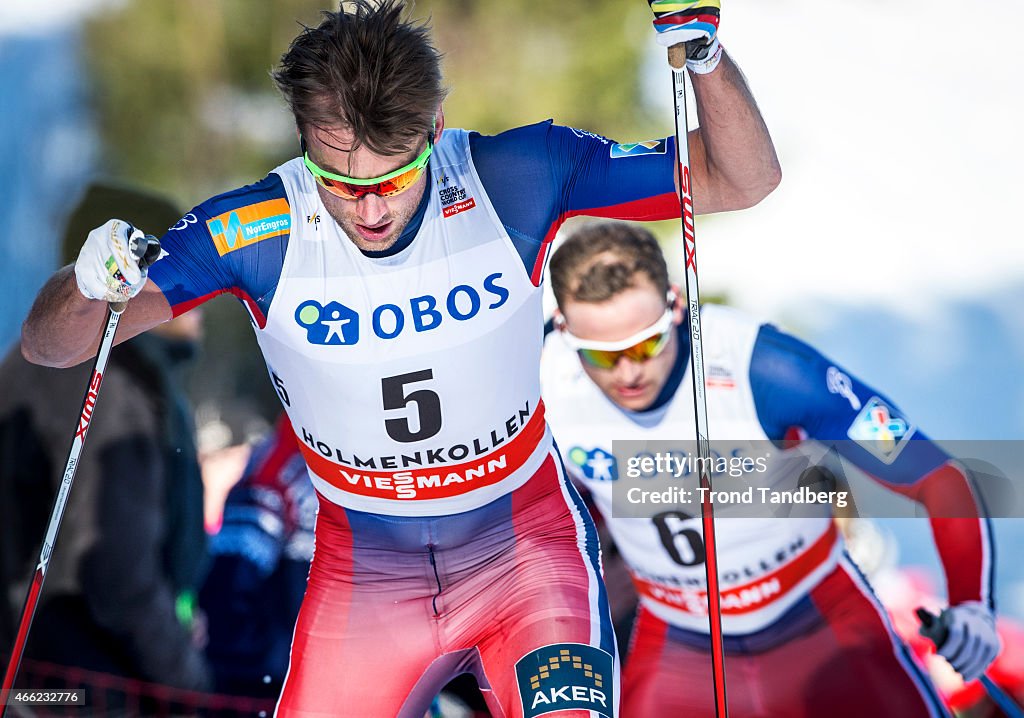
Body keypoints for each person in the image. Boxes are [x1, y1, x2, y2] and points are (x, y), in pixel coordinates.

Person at [19, 2, 780, 715]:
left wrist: (705, 58)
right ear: (301, 139)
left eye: (393, 177)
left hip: (526, 554)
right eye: (340, 184)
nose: (371, 209)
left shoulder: (518, 173)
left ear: (435, 127)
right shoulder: (252, 228)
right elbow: (52, 348)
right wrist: (88, 284)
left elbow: (738, 180)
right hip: (367, 586)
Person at [539, 221, 1000, 717]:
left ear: (676, 306)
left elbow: (937, 477)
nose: (627, 372)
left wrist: (972, 602)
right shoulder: (544, 380)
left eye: (645, 345)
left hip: (819, 620)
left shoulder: (762, 366)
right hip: (681, 638)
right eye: (601, 356)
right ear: (565, 330)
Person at [0, 184, 210, 696]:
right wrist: (189, 682)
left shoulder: (31, 365)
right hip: (74, 680)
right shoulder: (116, 381)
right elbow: (118, 572)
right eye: (176, 266)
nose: (197, 291)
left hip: (35, 669)